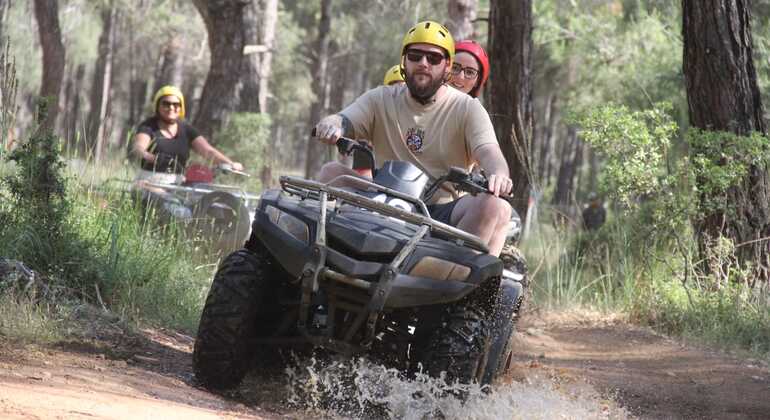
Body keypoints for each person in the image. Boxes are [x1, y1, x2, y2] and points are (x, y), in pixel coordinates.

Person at [313, 21, 512, 257]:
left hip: (438, 212)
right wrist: (333, 124)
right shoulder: (380, 98)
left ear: (447, 66)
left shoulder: (467, 108)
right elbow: (346, 119)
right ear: (404, 61)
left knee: (494, 206)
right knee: (331, 172)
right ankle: (321, 258)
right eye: (415, 56)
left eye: (434, 58)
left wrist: (498, 173)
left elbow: (488, 150)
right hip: (381, 196)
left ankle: (453, 273)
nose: (423, 63)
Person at [132, 85, 243, 186]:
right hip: (149, 182)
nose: (171, 107)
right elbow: (138, 149)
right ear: (157, 106)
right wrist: (153, 158)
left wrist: (230, 164)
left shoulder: (187, 129)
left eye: (176, 104)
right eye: (166, 104)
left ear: (181, 107)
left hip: (179, 185)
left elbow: (208, 151)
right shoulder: (148, 126)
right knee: (168, 201)